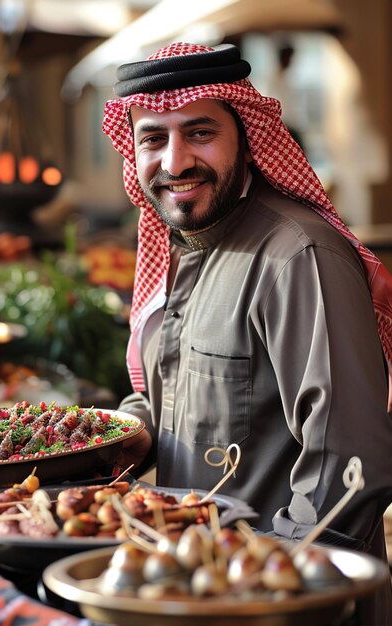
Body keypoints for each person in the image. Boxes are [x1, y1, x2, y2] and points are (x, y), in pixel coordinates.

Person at [103, 42, 392, 624]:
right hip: (194, 587)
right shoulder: (188, 246)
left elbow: (350, 463)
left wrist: (270, 587)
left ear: (246, 135)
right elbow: (182, 394)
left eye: (200, 132)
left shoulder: (297, 256)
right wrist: (120, 433)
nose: (175, 161)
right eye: (153, 138)